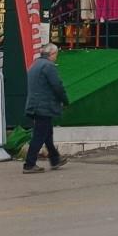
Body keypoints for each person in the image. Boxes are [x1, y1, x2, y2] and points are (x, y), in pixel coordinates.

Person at [24, 44, 69, 174]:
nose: (56, 58)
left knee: (47, 134)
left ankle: (55, 159)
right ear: (52, 54)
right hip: (43, 106)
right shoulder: (48, 66)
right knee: (39, 135)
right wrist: (64, 100)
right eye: (56, 55)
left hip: (34, 104)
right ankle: (29, 164)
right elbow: (57, 85)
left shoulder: (35, 64)